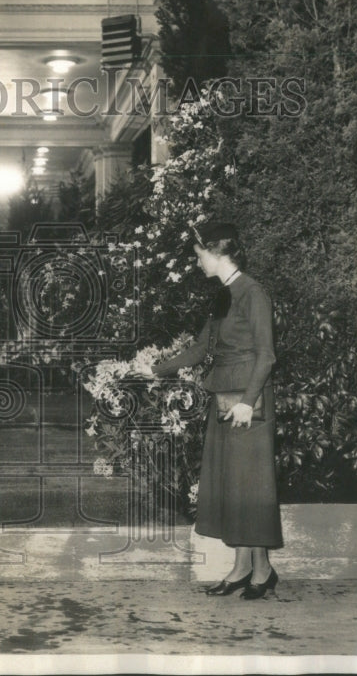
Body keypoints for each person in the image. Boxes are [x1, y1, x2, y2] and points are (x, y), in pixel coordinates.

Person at [148, 222, 283, 600]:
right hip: (225, 399)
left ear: (217, 252)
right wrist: (155, 369)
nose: (197, 262)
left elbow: (265, 354)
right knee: (237, 486)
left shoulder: (253, 293)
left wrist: (247, 401)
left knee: (250, 486)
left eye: (199, 255)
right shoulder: (224, 294)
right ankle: (253, 569)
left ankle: (255, 570)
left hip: (246, 404)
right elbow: (201, 349)